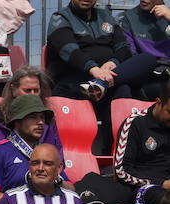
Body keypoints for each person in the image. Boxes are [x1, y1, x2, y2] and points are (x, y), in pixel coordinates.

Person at [45, 0, 159, 143]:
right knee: (121, 87)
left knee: (146, 60)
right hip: (74, 84)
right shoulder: (60, 18)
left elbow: (123, 48)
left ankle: (115, 152)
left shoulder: (106, 16)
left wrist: (113, 63)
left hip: (103, 82)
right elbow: (69, 50)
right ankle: (101, 85)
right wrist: (94, 69)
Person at [79, 79, 170, 204]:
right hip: (146, 189)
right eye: (169, 111)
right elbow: (122, 171)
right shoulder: (135, 123)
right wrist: (161, 183)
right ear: (158, 103)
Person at [0, 95, 58, 195]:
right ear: (17, 121)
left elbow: (70, 188)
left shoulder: (48, 152)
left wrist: (57, 180)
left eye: (42, 117)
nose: (41, 122)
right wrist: (25, 203)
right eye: (33, 117)